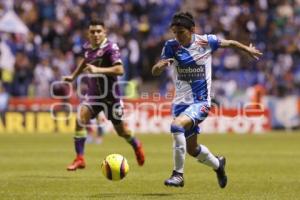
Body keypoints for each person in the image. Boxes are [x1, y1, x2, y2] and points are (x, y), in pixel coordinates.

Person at [152, 12, 262, 188]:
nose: (177, 36)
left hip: (201, 103)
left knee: (176, 126)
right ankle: (219, 165)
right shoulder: (171, 46)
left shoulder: (206, 41)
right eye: (175, 32)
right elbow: (155, 71)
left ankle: (178, 175)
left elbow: (230, 43)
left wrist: (247, 49)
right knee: (192, 149)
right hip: (180, 104)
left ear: (192, 30)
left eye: (181, 32)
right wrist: (159, 66)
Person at [62, 19, 145, 171]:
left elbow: (120, 70)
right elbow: (85, 61)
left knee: (122, 132)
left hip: (111, 98)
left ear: (105, 32)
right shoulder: (88, 47)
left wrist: (97, 70)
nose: (95, 34)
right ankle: (80, 158)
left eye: (99, 31)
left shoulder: (111, 48)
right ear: (88, 33)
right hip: (93, 95)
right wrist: (73, 76)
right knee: (80, 118)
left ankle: (136, 144)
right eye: (92, 32)